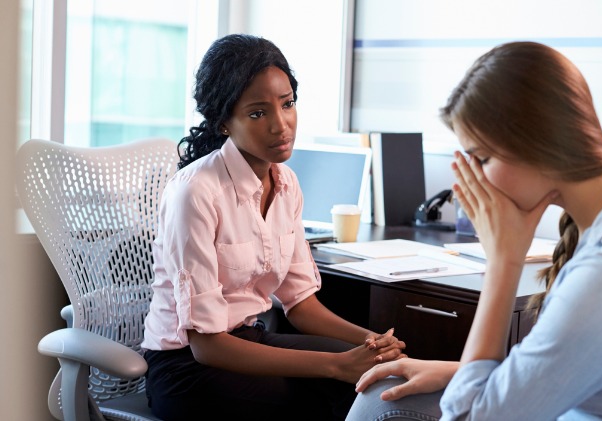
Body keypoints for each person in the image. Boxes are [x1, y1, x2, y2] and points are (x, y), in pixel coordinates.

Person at [347, 41, 602, 420]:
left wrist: (503, 263)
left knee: (375, 406)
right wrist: (457, 371)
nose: (475, 181)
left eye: (482, 159)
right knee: (381, 393)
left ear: (538, 142)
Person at [141, 34, 405, 421]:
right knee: (328, 395)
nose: (281, 125)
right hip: (187, 370)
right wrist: (336, 365)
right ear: (224, 123)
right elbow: (207, 347)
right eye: (257, 113)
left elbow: (301, 305)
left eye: (288, 104)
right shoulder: (196, 192)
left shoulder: (287, 184)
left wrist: (369, 340)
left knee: (383, 375)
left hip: (249, 341)